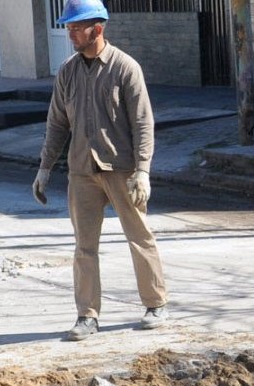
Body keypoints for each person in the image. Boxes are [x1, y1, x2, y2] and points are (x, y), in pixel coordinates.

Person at [33, 0, 169, 342]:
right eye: (68, 28)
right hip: (81, 171)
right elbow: (57, 123)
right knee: (84, 246)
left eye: (76, 28)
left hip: (121, 169)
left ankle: (155, 304)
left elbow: (142, 122)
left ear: (98, 28)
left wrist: (143, 170)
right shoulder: (67, 71)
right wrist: (45, 168)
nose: (70, 34)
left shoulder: (125, 68)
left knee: (139, 237)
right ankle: (87, 315)